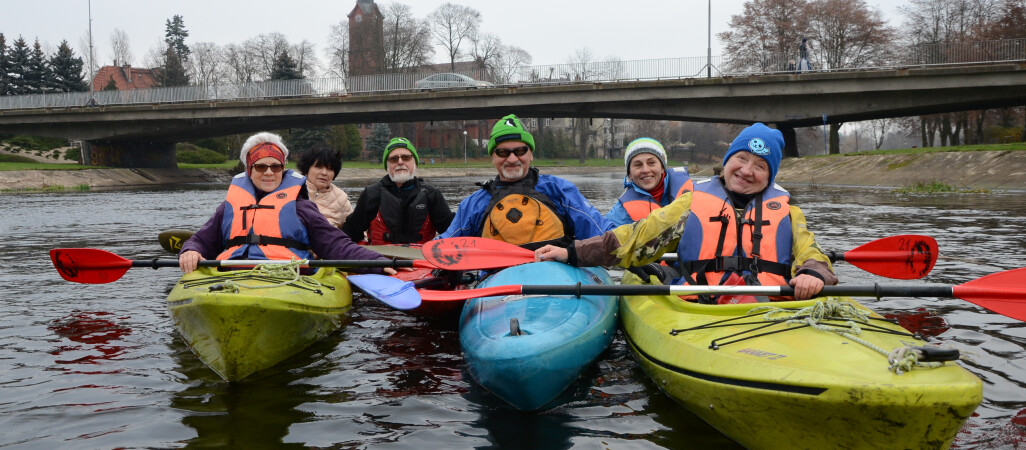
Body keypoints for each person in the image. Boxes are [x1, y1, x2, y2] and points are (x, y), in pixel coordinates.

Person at [536, 123, 838, 302]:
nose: (747, 171)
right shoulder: (693, 202)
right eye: (741, 159)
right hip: (704, 303)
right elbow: (636, 238)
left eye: (760, 166)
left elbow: (811, 252)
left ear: (770, 176)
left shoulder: (789, 212)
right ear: (728, 160)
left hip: (771, 304)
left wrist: (813, 273)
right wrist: (571, 252)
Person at [178, 132, 394, 274]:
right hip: (233, 276)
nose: (269, 172)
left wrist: (377, 263)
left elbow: (336, 245)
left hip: (288, 277)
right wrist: (190, 251)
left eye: (276, 166)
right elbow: (200, 241)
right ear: (249, 170)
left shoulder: (301, 207)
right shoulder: (228, 208)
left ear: (283, 169)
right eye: (261, 167)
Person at [439, 113, 615, 249]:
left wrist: (632, 243)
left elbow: (601, 232)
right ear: (492, 157)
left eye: (521, 151)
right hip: (499, 285)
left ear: (531, 155)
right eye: (503, 152)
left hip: (556, 280)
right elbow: (446, 245)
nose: (513, 159)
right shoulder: (474, 204)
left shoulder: (559, 190)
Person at [342, 137, 454, 245]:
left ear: (414, 162)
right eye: (394, 159)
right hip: (381, 260)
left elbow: (453, 233)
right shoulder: (371, 194)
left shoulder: (432, 195)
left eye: (406, 158)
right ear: (387, 165)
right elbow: (350, 232)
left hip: (419, 261)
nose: (400, 162)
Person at [606, 137, 693, 226]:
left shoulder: (694, 193)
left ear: (662, 167)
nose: (645, 170)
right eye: (638, 165)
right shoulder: (619, 214)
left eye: (651, 163)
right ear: (629, 174)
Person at [297, 144, 353, 229]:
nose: (324, 173)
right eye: (319, 167)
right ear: (306, 169)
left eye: (330, 169)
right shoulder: (292, 191)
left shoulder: (341, 199)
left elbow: (356, 232)